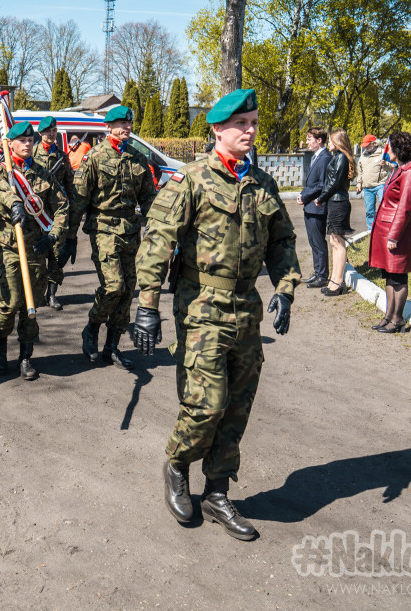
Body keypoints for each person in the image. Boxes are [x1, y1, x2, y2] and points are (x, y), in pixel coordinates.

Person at [132, 88, 302, 541]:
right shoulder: (190, 180)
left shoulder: (263, 183)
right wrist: (147, 306)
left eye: (254, 123)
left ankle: (217, 492)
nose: (250, 131)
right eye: (241, 124)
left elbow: (282, 242)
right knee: (206, 404)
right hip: (201, 307)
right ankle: (177, 465)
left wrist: (285, 288)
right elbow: (157, 241)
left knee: (238, 406)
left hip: (246, 310)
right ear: (217, 130)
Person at [62, 106, 155, 369]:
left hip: (130, 230)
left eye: (129, 123)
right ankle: (92, 327)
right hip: (103, 228)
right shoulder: (95, 157)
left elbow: (149, 197)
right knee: (114, 285)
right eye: (121, 123)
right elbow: (79, 200)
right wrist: (70, 237)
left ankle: (112, 346)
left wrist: (158, 229)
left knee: (127, 290)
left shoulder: (137, 158)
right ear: (108, 127)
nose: (127, 127)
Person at [0, 121, 68, 379]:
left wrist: (53, 235)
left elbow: (62, 207)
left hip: (35, 247)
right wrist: (15, 203)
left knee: (31, 305)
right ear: (10, 144)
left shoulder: (43, 174)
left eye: (30, 140)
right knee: (10, 302)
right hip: (10, 247)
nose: (27, 144)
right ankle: (0, 343)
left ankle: (25, 356)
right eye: (22, 140)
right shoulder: (0, 171)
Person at [369, 131, 411, 333]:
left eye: (390, 147)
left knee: (399, 277)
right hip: (387, 229)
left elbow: (405, 208)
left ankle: (397, 318)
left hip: (397, 232)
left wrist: (394, 236)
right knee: (389, 275)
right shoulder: (400, 169)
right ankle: (388, 316)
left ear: (399, 149)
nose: (388, 150)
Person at [31, 115, 74, 311]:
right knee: (38, 255)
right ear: (40, 133)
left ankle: (52, 295)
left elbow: (69, 184)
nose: (51, 134)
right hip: (37, 212)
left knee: (56, 256)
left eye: (54, 130)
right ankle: (38, 292)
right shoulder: (32, 153)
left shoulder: (62, 156)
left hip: (56, 212)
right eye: (48, 131)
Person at [315, 128, 356, 297]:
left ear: (338, 142)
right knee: (334, 242)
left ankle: (338, 283)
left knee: (338, 243)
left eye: (331, 141)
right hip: (335, 202)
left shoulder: (341, 157)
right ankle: (334, 280)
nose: (329, 143)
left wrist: (321, 198)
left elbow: (333, 183)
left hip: (339, 203)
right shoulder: (338, 157)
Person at [297, 127, 333, 288]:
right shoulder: (316, 156)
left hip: (317, 206)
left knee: (318, 242)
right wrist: (303, 194)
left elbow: (322, 184)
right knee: (313, 242)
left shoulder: (325, 158)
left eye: (309, 139)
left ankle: (322, 275)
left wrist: (305, 196)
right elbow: (312, 182)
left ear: (319, 140)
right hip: (310, 206)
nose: (307, 142)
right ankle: (318, 273)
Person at [356, 134, 393, 229]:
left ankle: (385, 227)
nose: (365, 147)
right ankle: (370, 230)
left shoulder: (383, 153)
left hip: (380, 185)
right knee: (369, 211)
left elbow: (393, 167)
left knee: (384, 207)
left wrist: (385, 164)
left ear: (374, 144)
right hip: (367, 187)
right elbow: (360, 171)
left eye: (367, 145)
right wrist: (359, 183)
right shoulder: (363, 155)